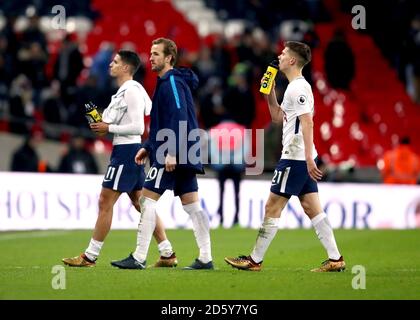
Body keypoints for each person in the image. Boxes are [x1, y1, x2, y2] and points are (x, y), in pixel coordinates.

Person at [225, 41, 345, 272]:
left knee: (272, 206)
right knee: (312, 208)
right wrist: (269, 92)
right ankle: (335, 259)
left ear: (292, 60)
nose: (279, 56)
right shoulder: (292, 87)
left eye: (283, 53)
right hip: (300, 156)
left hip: (295, 157)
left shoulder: (298, 87)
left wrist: (309, 158)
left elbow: (307, 121)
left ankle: (254, 260)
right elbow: (278, 117)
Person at [62, 50, 177, 268]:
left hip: (126, 152)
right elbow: (110, 124)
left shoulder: (131, 91)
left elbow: (139, 126)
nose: (110, 65)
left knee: (105, 201)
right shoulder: (125, 91)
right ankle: (167, 252)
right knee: (141, 203)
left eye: (115, 62)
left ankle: (90, 256)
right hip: (127, 151)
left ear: (125, 67)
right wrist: (100, 122)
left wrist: (109, 127)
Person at [111, 38, 213, 270]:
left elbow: (179, 117)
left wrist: (172, 152)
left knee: (146, 200)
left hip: (174, 152)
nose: (151, 57)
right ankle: (206, 258)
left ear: (168, 58)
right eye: (150, 53)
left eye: (156, 53)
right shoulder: (168, 82)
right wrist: (148, 146)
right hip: (181, 150)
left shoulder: (172, 81)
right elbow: (163, 121)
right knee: (192, 206)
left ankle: (138, 257)